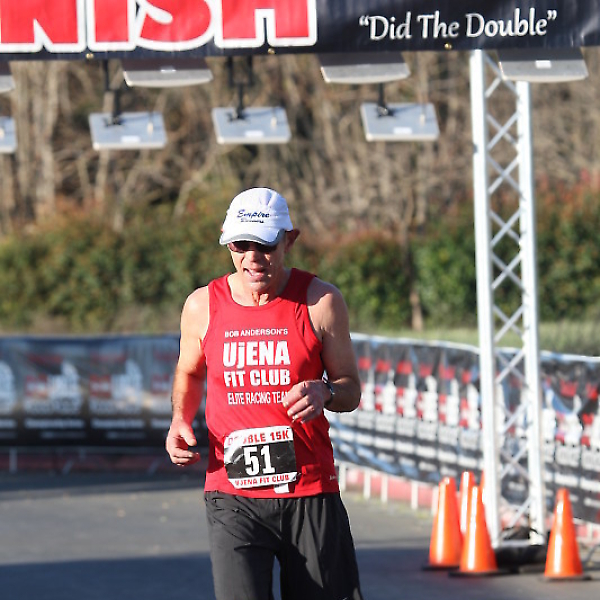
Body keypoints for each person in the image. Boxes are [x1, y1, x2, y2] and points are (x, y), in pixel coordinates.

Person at [166, 187, 364, 600]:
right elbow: (189, 371)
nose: (252, 258)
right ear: (227, 243)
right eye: (241, 245)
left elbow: (349, 389)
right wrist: (180, 419)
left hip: (308, 489)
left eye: (265, 245)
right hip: (232, 494)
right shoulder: (202, 306)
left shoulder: (320, 301)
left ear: (289, 240)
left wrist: (325, 391)